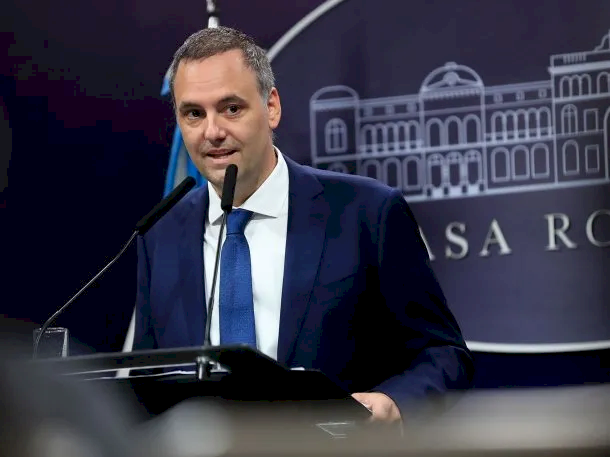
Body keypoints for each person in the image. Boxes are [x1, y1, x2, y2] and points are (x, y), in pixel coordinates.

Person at [133, 26, 474, 423]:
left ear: (272, 106)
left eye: (231, 108)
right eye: (194, 113)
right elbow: (149, 378)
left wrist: (394, 404)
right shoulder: (160, 234)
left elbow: (443, 354)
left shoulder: (368, 212)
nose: (212, 131)